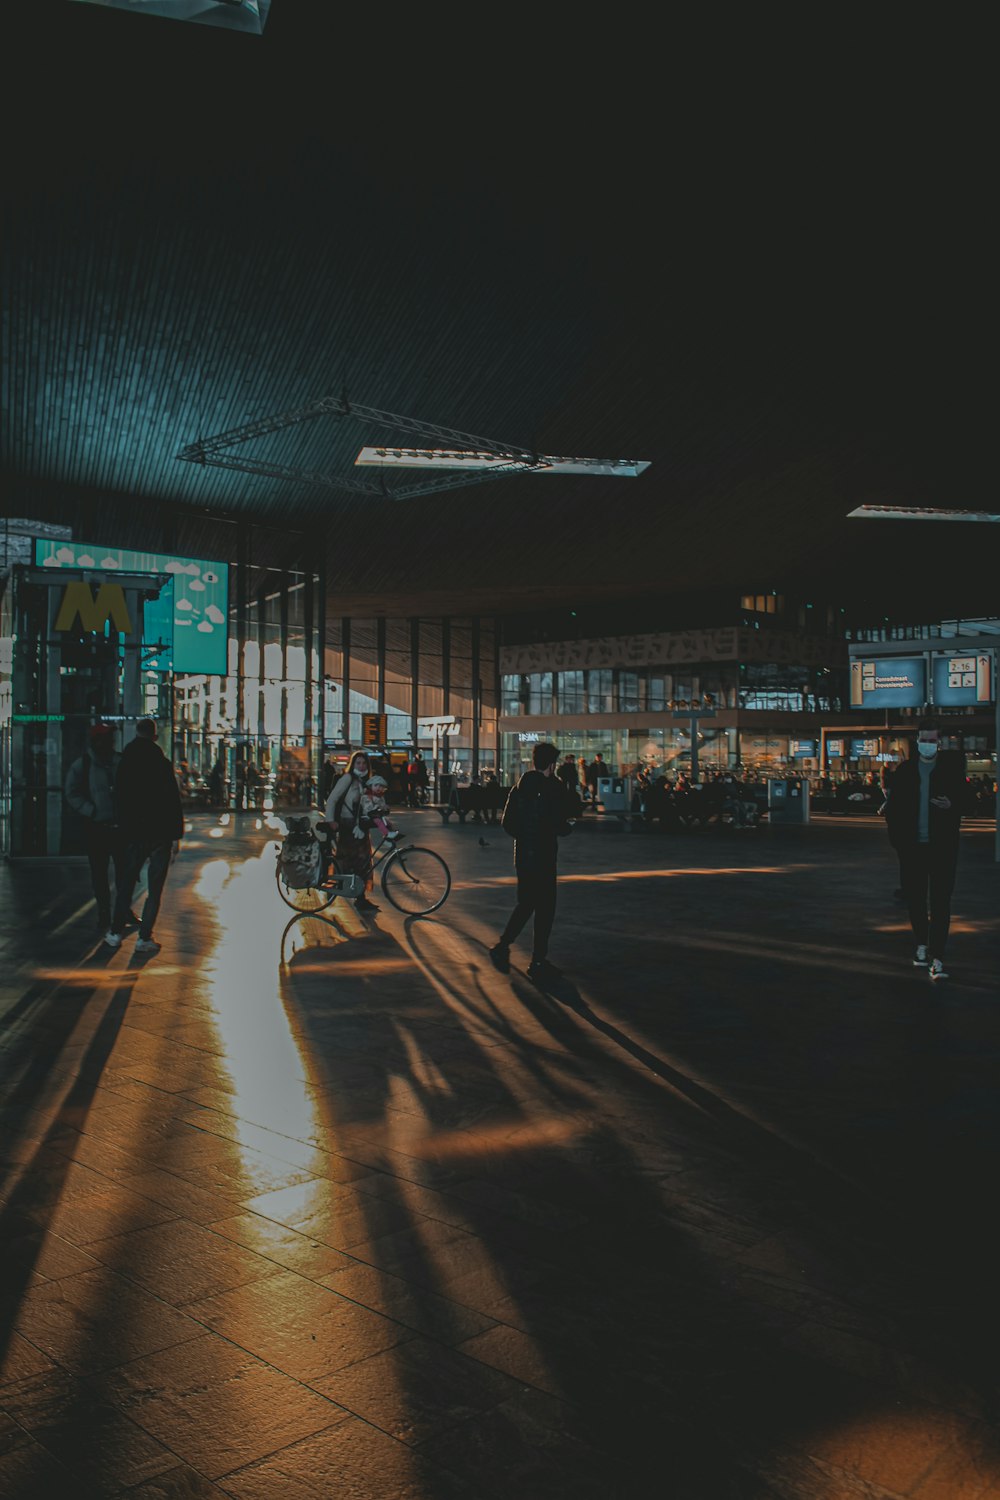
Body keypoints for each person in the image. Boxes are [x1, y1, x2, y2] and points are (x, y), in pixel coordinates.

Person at [884, 718, 970, 981]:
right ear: (917, 741)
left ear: (939, 743)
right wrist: (899, 844)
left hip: (942, 848)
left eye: (933, 741)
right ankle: (922, 943)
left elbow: (968, 800)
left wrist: (951, 805)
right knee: (916, 899)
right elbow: (894, 811)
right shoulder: (906, 772)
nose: (929, 745)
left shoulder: (950, 770)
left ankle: (937, 955)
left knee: (941, 902)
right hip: (913, 849)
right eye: (925, 740)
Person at [490, 741, 577, 983]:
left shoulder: (519, 786)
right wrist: (565, 827)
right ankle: (538, 960)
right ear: (551, 764)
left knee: (526, 903)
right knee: (546, 907)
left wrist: (526, 835)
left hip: (524, 856)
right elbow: (561, 823)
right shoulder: (555, 788)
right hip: (545, 855)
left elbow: (507, 823)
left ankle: (503, 945)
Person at [105, 720, 184, 954]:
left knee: (126, 884)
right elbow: (172, 801)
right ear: (154, 736)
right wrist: (175, 834)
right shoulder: (162, 763)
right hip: (160, 834)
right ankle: (144, 937)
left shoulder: (125, 763)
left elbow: (119, 798)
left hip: (133, 834)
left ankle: (115, 933)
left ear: (136, 734)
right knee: (155, 888)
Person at [64, 724, 136, 932]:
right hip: (97, 828)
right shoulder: (84, 765)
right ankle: (104, 913)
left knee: (125, 873)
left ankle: (123, 911)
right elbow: (71, 792)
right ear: (96, 741)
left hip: (120, 829)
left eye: (112, 737)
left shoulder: (121, 762)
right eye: (106, 737)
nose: (111, 741)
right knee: (99, 875)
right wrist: (91, 810)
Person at [325, 749, 378, 910]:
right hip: (348, 826)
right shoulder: (347, 778)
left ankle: (360, 896)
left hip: (361, 826)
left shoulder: (366, 782)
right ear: (353, 764)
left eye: (363, 763)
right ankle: (334, 886)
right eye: (358, 763)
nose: (361, 766)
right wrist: (330, 821)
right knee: (348, 859)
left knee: (363, 861)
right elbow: (332, 799)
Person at [359, 773, 399, 841]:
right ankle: (386, 833)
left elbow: (383, 808)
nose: (378, 787)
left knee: (388, 822)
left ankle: (390, 836)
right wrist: (379, 807)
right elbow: (367, 810)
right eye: (376, 785)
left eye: (381, 786)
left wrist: (385, 808)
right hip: (368, 816)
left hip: (377, 815)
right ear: (371, 786)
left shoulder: (381, 797)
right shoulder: (366, 797)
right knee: (378, 821)